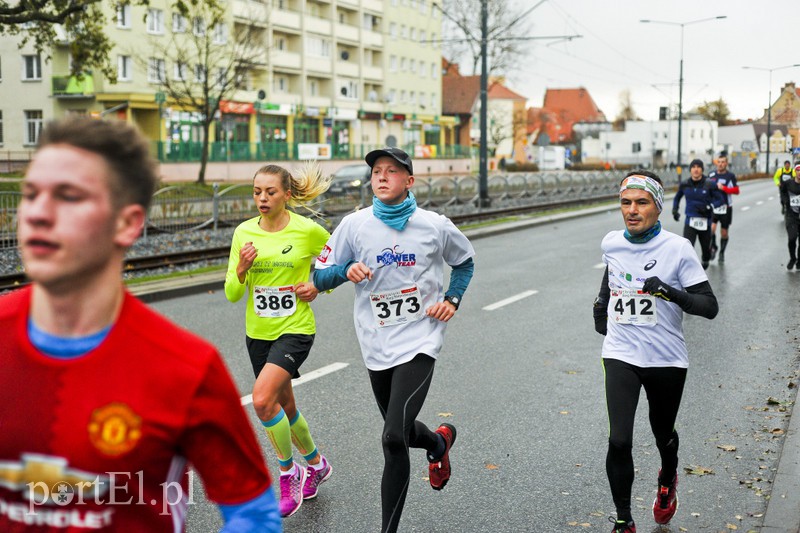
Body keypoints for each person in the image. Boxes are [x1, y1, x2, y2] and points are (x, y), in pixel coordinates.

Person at [0, 117, 280, 532]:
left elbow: (252, 514)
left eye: (69, 196)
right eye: (31, 194)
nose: (38, 214)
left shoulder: (188, 369)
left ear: (127, 223)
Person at [311, 147, 475, 533]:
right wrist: (345, 270)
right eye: (376, 172)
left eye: (392, 171)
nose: (381, 177)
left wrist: (452, 299)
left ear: (410, 181)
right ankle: (437, 443)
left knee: (391, 438)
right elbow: (319, 276)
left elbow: (464, 262)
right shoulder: (355, 225)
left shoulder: (434, 225)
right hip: (375, 341)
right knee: (398, 428)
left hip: (420, 338)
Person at [593, 170, 719, 532]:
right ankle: (623, 519)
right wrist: (602, 305)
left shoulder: (678, 248)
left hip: (666, 357)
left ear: (658, 207)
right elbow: (612, 273)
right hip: (620, 351)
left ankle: (667, 477)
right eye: (626, 202)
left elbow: (708, 306)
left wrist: (669, 292)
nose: (632, 210)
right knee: (619, 438)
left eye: (641, 203)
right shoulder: (611, 242)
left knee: (662, 432)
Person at [224, 162, 333, 518]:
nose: (262, 198)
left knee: (260, 401)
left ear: (287, 194)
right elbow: (231, 293)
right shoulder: (244, 233)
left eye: (270, 192)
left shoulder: (307, 231)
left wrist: (318, 285)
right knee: (283, 408)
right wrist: (241, 269)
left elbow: (337, 262)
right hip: (258, 334)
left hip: (295, 328)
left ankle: (290, 473)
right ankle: (316, 464)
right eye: (257, 192)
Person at [671, 159, 725, 269]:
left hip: (705, 221)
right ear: (690, 169)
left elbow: (720, 199)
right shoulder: (685, 184)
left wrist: (711, 206)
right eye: (693, 167)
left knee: (705, 251)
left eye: (698, 167)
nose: (696, 169)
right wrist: (675, 210)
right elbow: (677, 198)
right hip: (690, 221)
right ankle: (687, 272)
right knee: (686, 248)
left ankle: (706, 259)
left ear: (702, 169)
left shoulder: (709, 184)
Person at [707, 153, 740, 262]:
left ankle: (722, 252)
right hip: (713, 207)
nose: (720, 164)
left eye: (723, 162)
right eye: (719, 162)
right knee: (711, 230)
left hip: (726, 207)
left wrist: (724, 188)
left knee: (724, 233)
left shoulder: (730, 176)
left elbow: (736, 191)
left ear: (726, 163)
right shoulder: (711, 175)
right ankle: (714, 247)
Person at [779, 168, 800, 270]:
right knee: (792, 238)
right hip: (792, 215)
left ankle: (799, 260)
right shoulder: (788, 183)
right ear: (795, 171)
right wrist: (786, 201)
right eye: (798, 170)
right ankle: (793, 258)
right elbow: (782, 192)